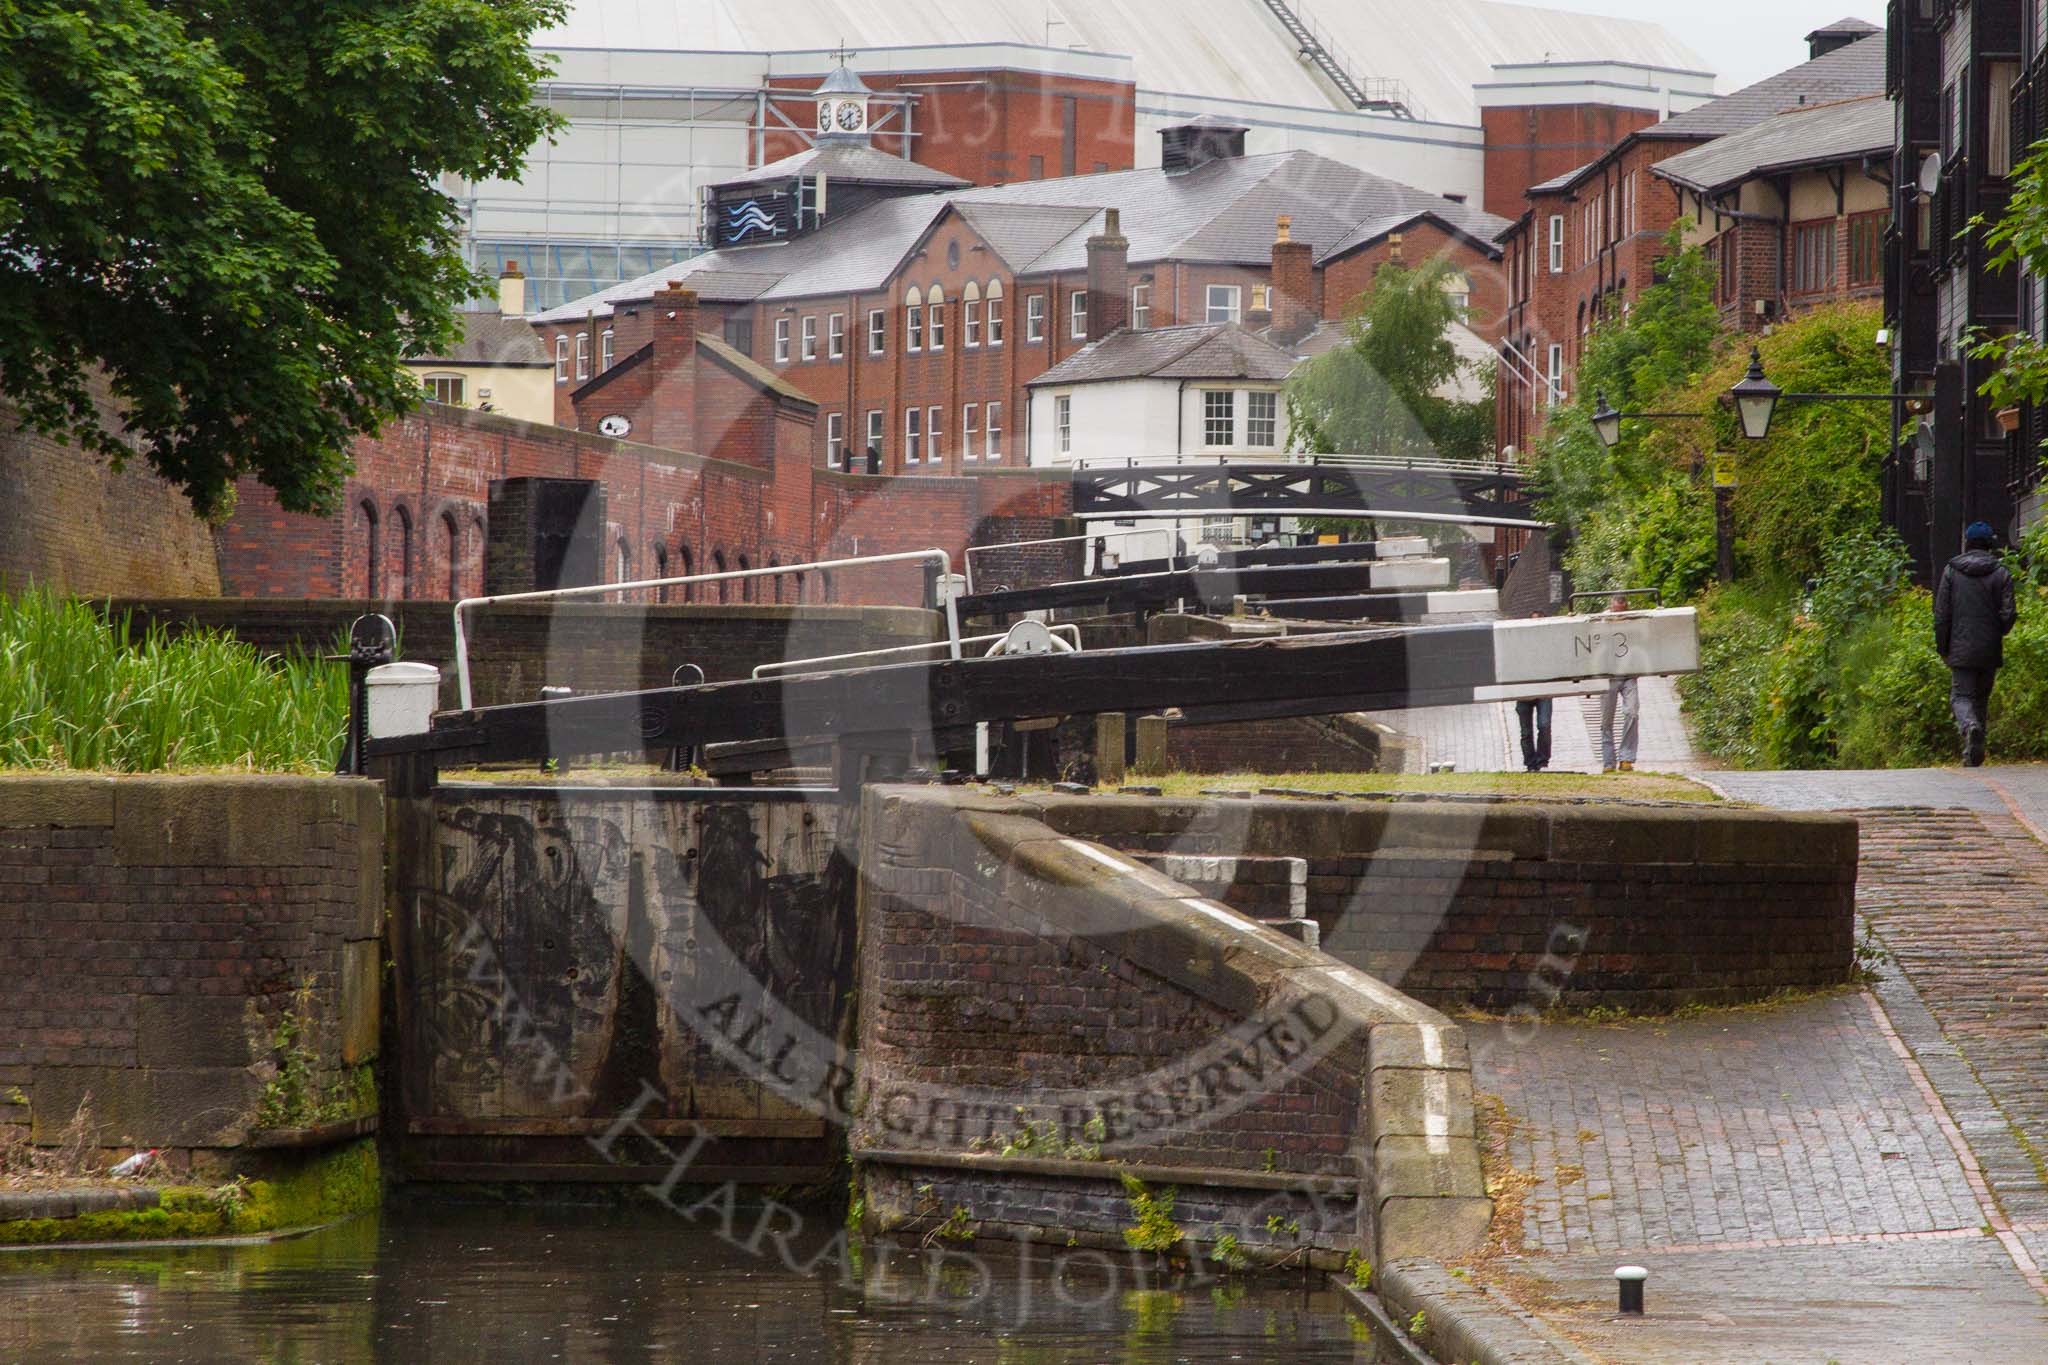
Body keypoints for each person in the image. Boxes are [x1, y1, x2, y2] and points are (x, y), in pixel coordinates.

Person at [1934, 521, 2017, 768]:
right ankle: (1974, 754)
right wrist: (1997, 632)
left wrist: (1943, 646)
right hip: (1989, 648)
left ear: (1967, 543)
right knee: (1981, 698)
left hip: (1959, 647)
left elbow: (1941, 615)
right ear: (1990, 544)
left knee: (1960, 696)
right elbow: (2009, 613)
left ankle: (1970, 728)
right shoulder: (2001, 573)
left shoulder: (1951, 571)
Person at [1598, 593, 1639, 773]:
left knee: (1632, 712)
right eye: (1616, 611)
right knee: (1607, 720)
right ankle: (1608, 761)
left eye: (1621, 612)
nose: (1618, 615)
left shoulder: (1633, 622)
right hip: (1608, 675)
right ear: (1611, 607)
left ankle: (1626, 758)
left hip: (1629, 675)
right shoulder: (1601, 622)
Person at [1514, 614, 1553, 772]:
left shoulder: (1549, 644)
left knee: (1544, 725)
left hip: (1543, 690)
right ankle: (1531, 763)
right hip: (1523, 690)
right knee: (1526, 731)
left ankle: (1542, 759)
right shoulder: (1518, 644)